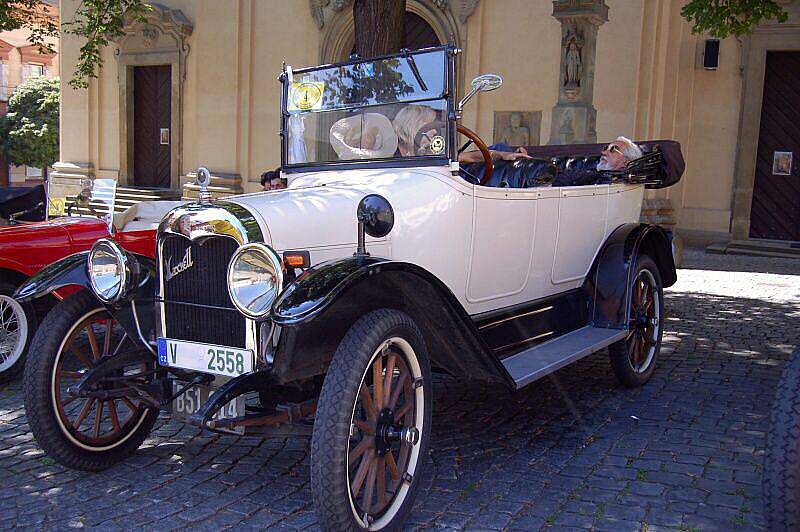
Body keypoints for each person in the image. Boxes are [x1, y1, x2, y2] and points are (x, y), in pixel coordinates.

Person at [553, 136, 642, 187]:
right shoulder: (589, 174)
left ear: (626, 162)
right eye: (605, 148)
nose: (603, 153)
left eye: (613, 149)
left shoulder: (623, 183)